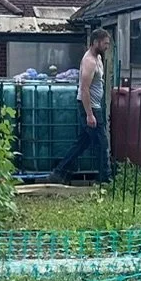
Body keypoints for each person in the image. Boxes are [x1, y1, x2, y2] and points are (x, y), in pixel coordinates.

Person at [52, 29, 113, 183]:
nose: (107, 46)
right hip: (89, 107)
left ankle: (60, 172)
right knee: (102, 144)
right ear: (96, 42)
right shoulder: (89, 61)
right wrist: (90, 114)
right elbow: (84, 89)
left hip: (95, 106)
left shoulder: (98, 57)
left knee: (82, 143)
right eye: (105, 43)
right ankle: (104, 180)